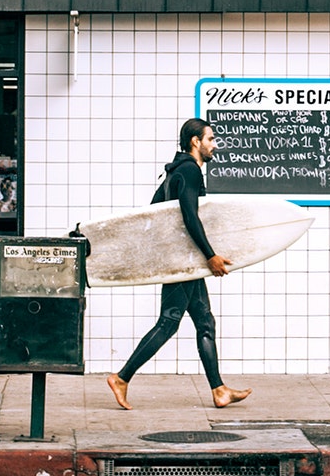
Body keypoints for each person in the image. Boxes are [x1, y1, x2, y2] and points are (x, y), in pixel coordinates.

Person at [107, 118, 251, 410]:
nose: (214, 144)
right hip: (184, 262)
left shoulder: (174, 172)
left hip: (185, 259)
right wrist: (210, 255)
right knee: (169, 322)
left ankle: (219, 390)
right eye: (210, 139)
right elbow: (190, 216)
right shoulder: (189, 170)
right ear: (196, 142)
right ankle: (121, 378)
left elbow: (153, 210)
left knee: (205, 321)